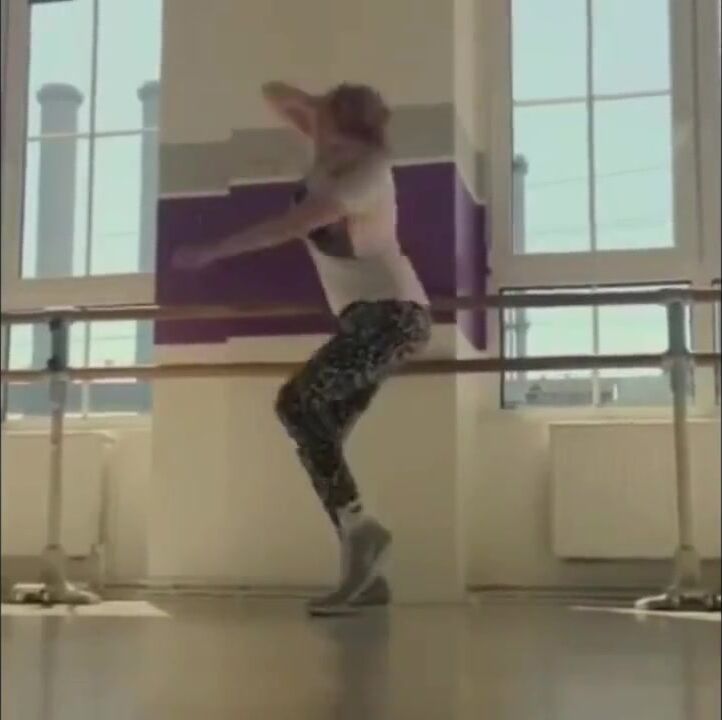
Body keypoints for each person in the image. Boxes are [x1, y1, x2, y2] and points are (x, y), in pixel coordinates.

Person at [174, 82, 431, 615]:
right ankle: (365, 566)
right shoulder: (327, 151)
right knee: (318, 433)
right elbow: (271, 93)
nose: (319, 134)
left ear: (350, 128)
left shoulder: (366, 174)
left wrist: (212, 251)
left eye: (329, 124)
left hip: (394, 316)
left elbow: (289, 227)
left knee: (297, 404)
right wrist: (319, 107)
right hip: (361, 321)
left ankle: (361, 536)